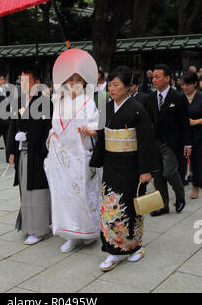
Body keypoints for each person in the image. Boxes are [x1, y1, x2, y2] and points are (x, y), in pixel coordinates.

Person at [90, 66, 158, 272]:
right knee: (111, 206)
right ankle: (114, 249)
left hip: (131, 166)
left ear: (128, 87)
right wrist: (96, 162)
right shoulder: (107, 108)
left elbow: (146, 141)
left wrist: (145, 170)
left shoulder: (137, 109)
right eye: (109, 85)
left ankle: (135, 246)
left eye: (116, 85)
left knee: (130, 207)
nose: (111, 89)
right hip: (112, 164)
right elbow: (102, 136)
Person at [44, 49, 102, 253]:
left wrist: (89, 131)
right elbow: (54, 127)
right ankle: (69, 234)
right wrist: (52, 135)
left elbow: (97, 128)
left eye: (78, 79)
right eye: (70, 79)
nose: (74, 83)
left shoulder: (88, 102)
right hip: (61, 158)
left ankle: (86, 231)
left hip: (79, 156)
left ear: (84, 82)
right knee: (63, 195)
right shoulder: (59, 101)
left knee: (81, 195)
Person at [7, 67, 52, 245]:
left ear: (36, 83)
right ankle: (28, 226)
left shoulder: (45, 103)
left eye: (27, 81)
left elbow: (48, 130)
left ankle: (40, 229)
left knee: (38, 190)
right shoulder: (18, 101)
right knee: (25, 190)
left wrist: (46, 154)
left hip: (39, 153)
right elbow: (12, 127)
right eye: (21, 81)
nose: (23, 84)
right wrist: (11, 150)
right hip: (22, 151)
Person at [146, 64, 192, 216]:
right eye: (153, 77)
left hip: (171, 143)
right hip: (154, 143)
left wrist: (187, 143)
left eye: (157, 77)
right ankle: (163, 205)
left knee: (169, 172)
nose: (154, 80)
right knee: (158, 175)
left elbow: (185, 123)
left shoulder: (178, 97)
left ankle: (180, 197)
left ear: (167, 78)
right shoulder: (150, 98)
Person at [181, 72, 202, 199]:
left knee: (197, 161)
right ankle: (180, 190)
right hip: (182, 135)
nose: (185, 87)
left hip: (197, 134)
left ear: (195, 83)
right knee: (180, 162)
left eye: (188, 84)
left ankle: (195, 186)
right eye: (183, 84)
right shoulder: (179, 97)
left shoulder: (200, 97)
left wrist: (196, 121)